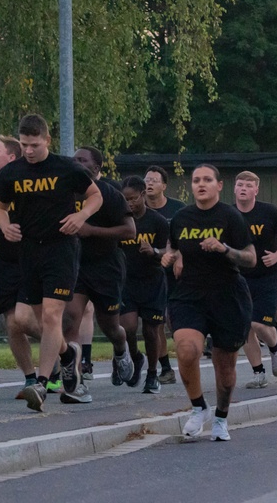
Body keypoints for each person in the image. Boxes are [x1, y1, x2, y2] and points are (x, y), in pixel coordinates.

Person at [0, 114, 101, 412]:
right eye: (25, 145)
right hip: (29, 251)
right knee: (30, 320)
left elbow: (95, 196)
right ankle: (67, 357)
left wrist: (80, 216)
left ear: (47, 141)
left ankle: (40, 382)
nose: (29, 150)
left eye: (35, 145)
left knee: (53, 316)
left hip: (61, 249)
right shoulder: (12, 172)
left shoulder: (66, 168)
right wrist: (4, 226)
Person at [160, 164, 256, 441]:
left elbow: (251, 258)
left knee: (225, 366)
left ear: (218, 185)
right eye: (196, 180)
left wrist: (224, 249)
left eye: (207, 180)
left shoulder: (230, 217)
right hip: (189, 294)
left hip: (227, 294)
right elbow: (174, 246)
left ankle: (221, 418)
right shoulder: (181, 217)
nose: (201, 184)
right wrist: (172, 256)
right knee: (187, 350)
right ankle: (198, 407)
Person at [63, 146, 135, 403]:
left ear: (97, 168)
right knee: (70, 319)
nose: (77, 163)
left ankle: (120, 349)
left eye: (83, 160)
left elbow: (129, 231)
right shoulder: (66, 192)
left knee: (110, 326)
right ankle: (74, 382)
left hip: (107, 266)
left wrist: (92, 231)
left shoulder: (110, 194)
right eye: (74, 160)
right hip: (77, 265)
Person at [0, 135, 39, 395]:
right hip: (5, 263)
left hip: (34, 260)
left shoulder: (30, 183)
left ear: (12, 157)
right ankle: (31, 378)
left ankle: (63, 354)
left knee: (26, 320)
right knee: (12, 324)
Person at [233, 171, 277, 388]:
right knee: (244, 328)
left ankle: (275, 347)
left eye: (248, 185)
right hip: (238, 277)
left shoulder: (268, 212)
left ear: (256, 190)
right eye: (239, 184)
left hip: (267, 276)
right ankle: (258, 373)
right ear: (234, 188)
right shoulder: (228, 214)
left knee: (259, 323)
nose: (243, 188)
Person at [119, 176, 170, 394]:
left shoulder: (157, 221)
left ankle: (152, 374)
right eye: (125, 199)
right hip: (127, 281)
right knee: (127, 327)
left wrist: (155, 252)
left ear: (142, 195)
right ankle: (135, 356)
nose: (129, 203)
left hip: (152, 281)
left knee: (151, 331)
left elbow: (169, 250)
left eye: (133, 199)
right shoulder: (121, 220)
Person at [144, 166, 185, 382]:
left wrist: (179, 258)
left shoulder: (178, 210)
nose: (149, 183)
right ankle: (166, 369)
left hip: (176, 273)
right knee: (155, 322)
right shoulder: (137, 210)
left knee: (174, 320)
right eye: (146, 179)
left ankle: (191, 352)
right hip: (150, 273)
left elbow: (187, 239)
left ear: (164, 186)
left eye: (154, 180)